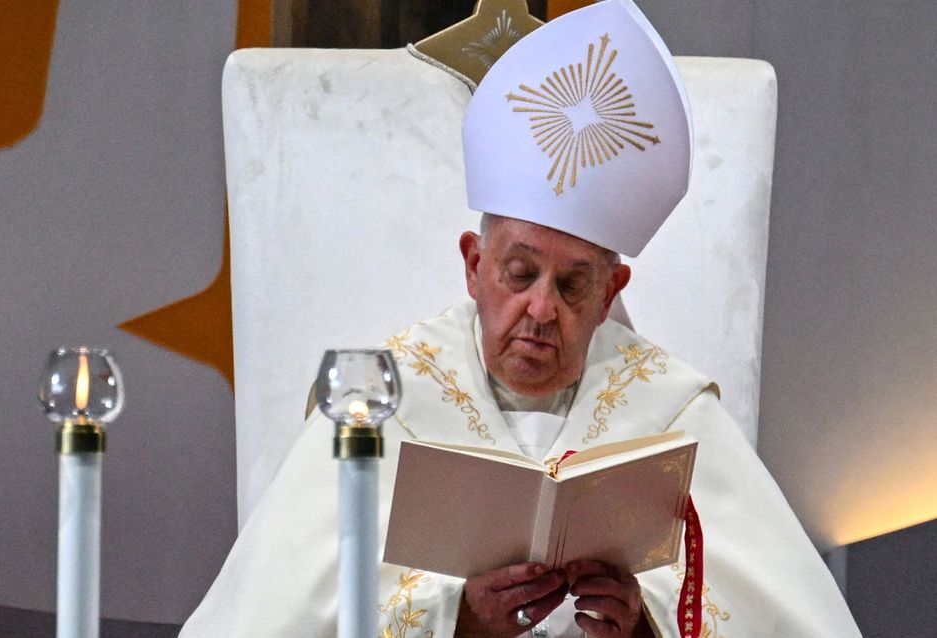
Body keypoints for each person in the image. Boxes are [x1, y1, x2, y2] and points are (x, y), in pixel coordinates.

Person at [180, 1, 862, 636]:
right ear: (474, 265)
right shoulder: (380, 403)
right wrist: (461, 622)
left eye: (572, 285)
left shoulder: (673, 410)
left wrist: (641, 626)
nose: (541, 309)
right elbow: (281, 613)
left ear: (610, 291)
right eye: (519, 273)